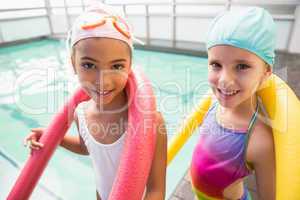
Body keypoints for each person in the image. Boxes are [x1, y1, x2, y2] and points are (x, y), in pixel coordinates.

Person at [24, 3, 167, 200]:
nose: (103, 81)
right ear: (73, 64)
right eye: (89, 65)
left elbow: (155, 190)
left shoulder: (152, 122)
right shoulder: (80, 113)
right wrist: (52, 138)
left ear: (130, 67)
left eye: (116, 66)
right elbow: (87, 148)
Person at [190, 7, 276, 200]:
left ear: (265, 73)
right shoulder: (214, 103)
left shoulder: (259, 140)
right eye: (216, 65)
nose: (224, 80)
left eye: (242, 66)